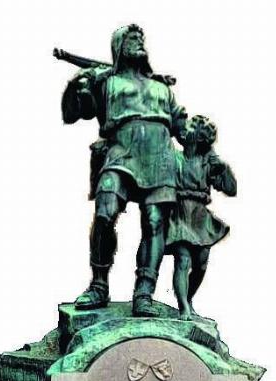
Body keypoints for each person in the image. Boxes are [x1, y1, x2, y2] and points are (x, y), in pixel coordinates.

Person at [61, 24, 187, 317]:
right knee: (105, 212)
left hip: (160, 156)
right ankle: (99, 284)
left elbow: (182, 128)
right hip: (121, 148)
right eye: (132, 38)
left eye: (141, 38)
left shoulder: (161, 87)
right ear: (118, 46)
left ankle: (144, 292)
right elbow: (73, 113)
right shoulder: (107, 81)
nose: (138, 42)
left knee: (155, 222)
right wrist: (78, 87)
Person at [166, 115, 236, 319]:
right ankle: (184, 308)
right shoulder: (174, 158)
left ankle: (188, 299)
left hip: (199, 216)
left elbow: (231, 189)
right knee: (183, 260)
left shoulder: (208, 162)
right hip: (179, 213)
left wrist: (223, 169)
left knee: (202, 263)